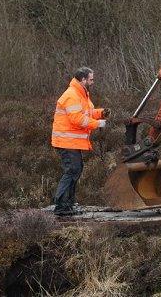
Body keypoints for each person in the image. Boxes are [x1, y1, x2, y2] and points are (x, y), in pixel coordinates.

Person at [51, 67, 107, 216]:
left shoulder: (81, 94)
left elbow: (87, 113)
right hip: (66, 141)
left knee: (76, 169)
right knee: (72, 170)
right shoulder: (72, 95)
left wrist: (100, 113)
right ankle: (61, 206)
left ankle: (68, 204)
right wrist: (97, 124)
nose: (92, 82)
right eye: (91, 79)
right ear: (83, 80)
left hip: (71, 142)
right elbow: (77, 119)